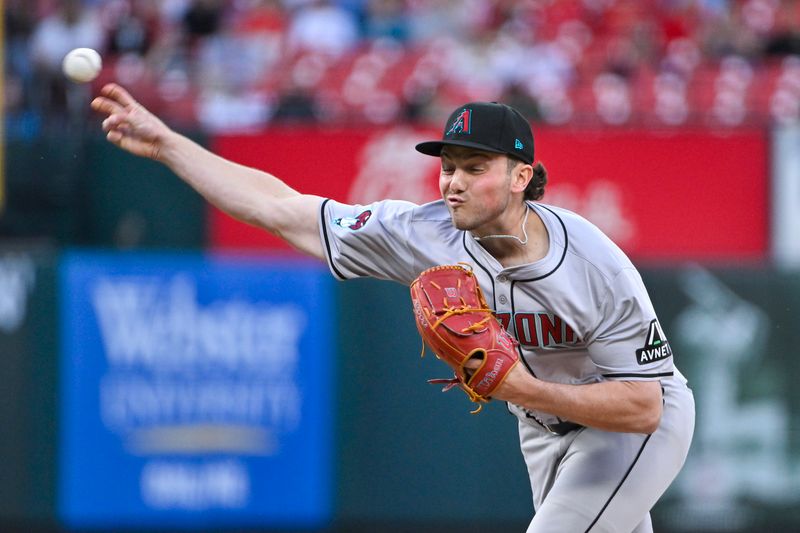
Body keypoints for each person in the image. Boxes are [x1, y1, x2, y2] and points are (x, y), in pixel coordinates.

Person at [91, 83, 695, 533]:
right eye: (448, 166)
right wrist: (172, 147)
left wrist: (518, 388)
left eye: (474, 168)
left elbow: (643, 405)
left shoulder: (593, 264)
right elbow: (281, 208)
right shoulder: (423, 232)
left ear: (522, 177)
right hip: (542, 433)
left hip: (632, 427)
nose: (452, 182)